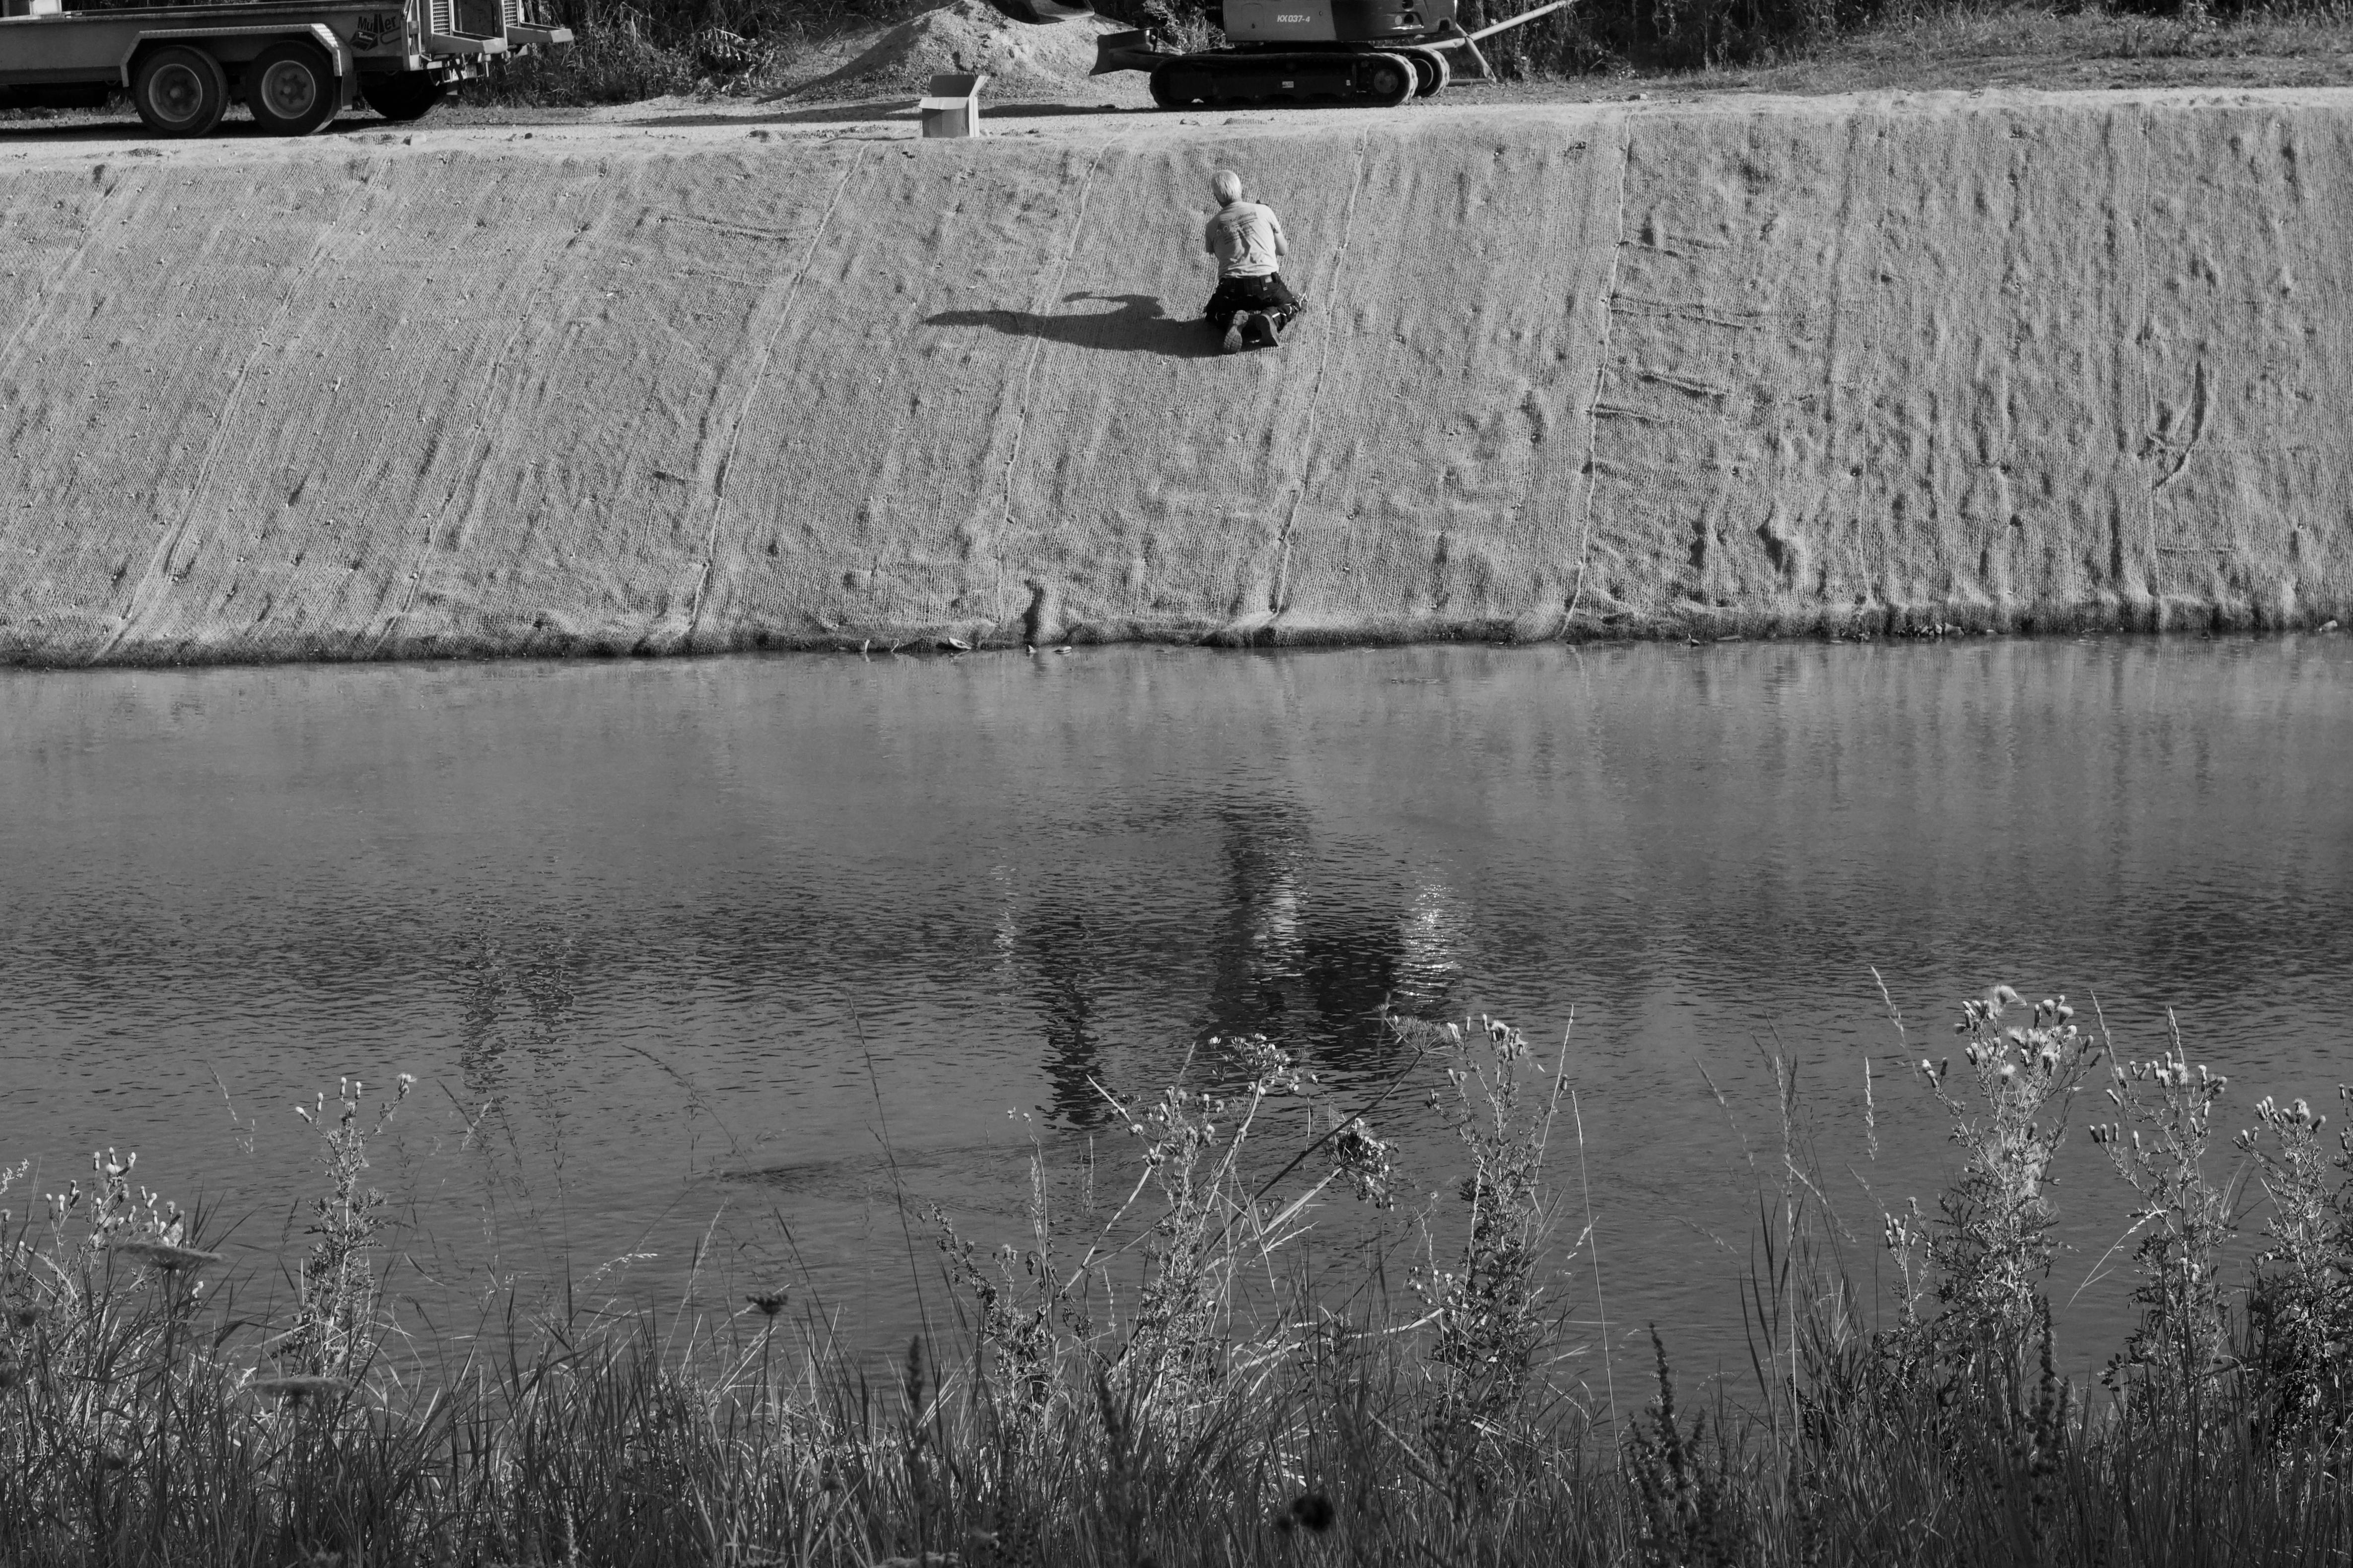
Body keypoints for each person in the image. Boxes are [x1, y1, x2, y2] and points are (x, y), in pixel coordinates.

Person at [1201, 170, 1301, 353]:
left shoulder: (1212, 226)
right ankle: (1270, 318)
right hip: (1267, 285)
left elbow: (1221, 255)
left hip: (1232, 289)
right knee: (1293, 303)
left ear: (1217, 198)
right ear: (1241, 189)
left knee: (1214, 314)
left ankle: (1237, 320)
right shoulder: (1264, 211)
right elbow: (1283, 250)